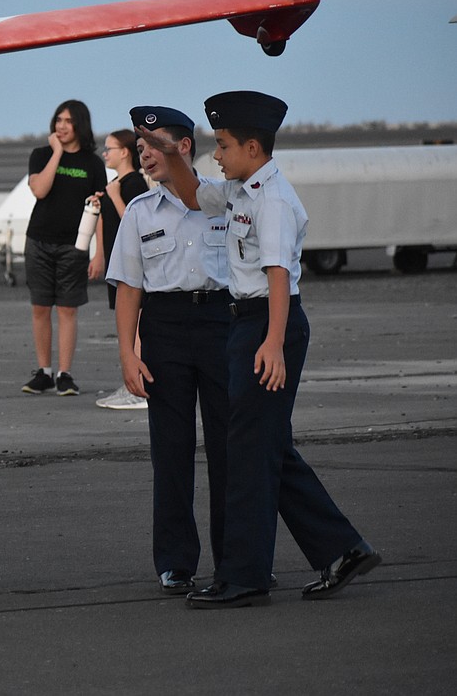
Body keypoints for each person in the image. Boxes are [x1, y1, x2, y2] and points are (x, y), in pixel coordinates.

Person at [145, 91, 381, 609]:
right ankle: (342, 548)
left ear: (253, 147)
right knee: (266, 448)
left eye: (223, 145)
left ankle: (245, 576)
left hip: (266, 326)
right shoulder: (240, 190)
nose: (217, 155)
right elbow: (191, 196)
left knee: (249, 455)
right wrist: (171, 153)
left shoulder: (271, 200)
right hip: (246, 326)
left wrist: (272, 345)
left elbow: (278, 275)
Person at [106, 107, 232, 595]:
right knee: (171, 450)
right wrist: (127, 353)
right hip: (166, 329)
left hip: (222, 322)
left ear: (182, 147)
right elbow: (129, 289)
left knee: (228, 448)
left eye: (152, 145)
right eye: (139, 149)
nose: (144, 155)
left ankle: (235, 558)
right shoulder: (140, 212)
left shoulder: (222, 202)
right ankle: (176, 561)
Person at [21, 100, 108, 396]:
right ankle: (44, 372)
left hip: (75, 245)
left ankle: (64, 374)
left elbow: (99, 208)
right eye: (58, 120)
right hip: (39, 241)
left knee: (68, 310)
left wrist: (100, 252)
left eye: (68, 121)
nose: (61, 125)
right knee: (40, 307)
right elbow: (39, 189)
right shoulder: (41, 155)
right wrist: (57, 152)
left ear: (80, 124)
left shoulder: (93, 163)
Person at [93, 128, 150, 410]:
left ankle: (139, 387)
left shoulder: (133, 184)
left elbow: (136, 221)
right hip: (119, 263)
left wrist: (114, 196)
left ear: (125, 152)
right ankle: (131, 382)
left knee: (136, 324)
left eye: (110, 148)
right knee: (127, 322)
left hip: (134, 264)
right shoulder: (116, 183)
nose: (105, 153)